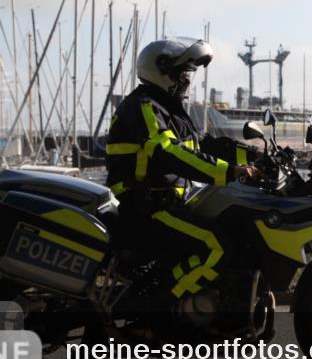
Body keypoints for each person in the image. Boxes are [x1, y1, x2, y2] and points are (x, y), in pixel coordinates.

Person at [106, 37, 259, 308]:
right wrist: (230, 172)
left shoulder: (169, 109)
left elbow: (204, 145)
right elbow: (168, 150)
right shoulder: (144, 107)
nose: (187, 80)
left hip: (169, 203)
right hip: (145, 207)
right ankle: (160, 307)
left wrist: (257, 156)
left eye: (188, 73)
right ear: (162, 71)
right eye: (182, 73)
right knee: (218, 246)